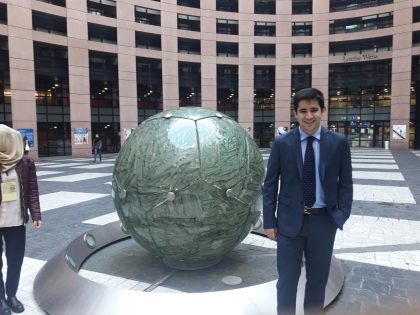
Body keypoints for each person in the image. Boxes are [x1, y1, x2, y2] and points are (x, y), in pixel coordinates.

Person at [263, 88, 353, 315]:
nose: (309, 116)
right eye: (303, 111)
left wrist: (340, 215)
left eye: (314, 109)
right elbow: (270, 185)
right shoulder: (282, 144)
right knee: (286, 282)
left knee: (317, 282)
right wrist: (269, 221)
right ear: (295, 113)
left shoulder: (338, 142)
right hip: (289, 223)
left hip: (324, 222)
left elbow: (346, 184)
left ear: (322, 110)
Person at [0, 124, 42, 315]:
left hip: (16, 221)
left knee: (15, 260)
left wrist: (36, 214)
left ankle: (11, 295)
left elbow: (32, 190)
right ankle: (1, 299)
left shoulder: (25, 163)